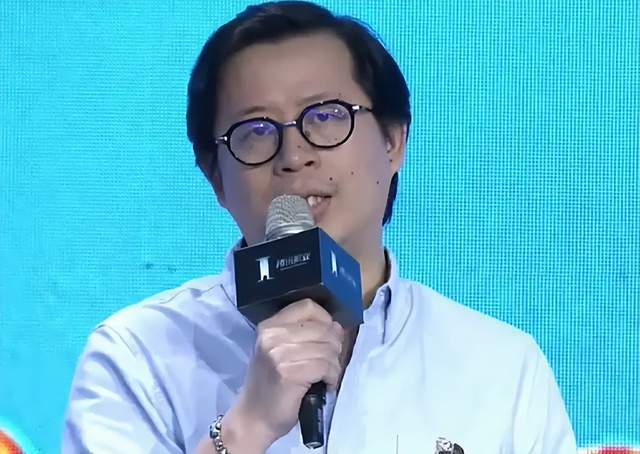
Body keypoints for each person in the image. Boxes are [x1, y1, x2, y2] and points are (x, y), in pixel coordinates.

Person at [62, 2, 577, 453]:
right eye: (256, 130)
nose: (294, 154)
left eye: (326, 116)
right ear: (216, 177)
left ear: (394, 142)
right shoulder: (138, 357)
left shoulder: (502, 367)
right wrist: (247, 429)